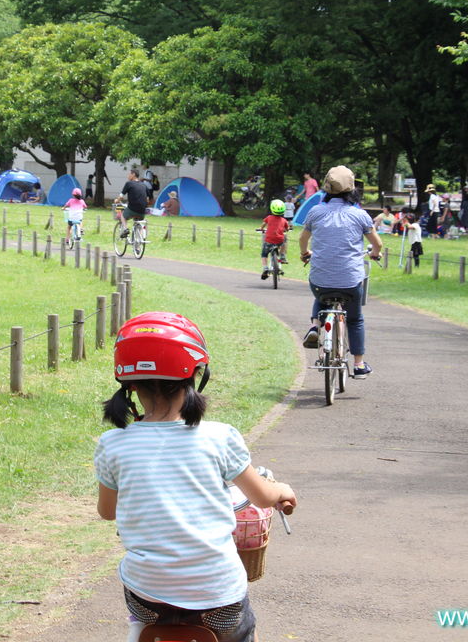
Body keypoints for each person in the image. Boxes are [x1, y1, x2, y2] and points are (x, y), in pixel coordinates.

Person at [95, 312, 297, 642]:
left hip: (147, 598)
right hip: (218, 598)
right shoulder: (219, 437)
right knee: (242, 630)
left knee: (141, 609)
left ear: (129, 384)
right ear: (194, 376)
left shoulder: (113, 444)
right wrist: (281, 490)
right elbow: (262, 496)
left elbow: (107, 511)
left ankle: (140, 633)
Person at [298, 166, 382, 379]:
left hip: (320, 280)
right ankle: (359, 364)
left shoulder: (316, 211)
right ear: (352, 189)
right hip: (350, 281)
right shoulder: (360, 215)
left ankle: (315, 326)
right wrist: (374, 253)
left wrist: (305, 253)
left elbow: (302, 239)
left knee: (321, 292)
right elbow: (377, 244)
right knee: (355, 319)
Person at [258, 199, 290, 278]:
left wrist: (261, 228)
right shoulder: (284, 220)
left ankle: (265, 268)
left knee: (264, 254)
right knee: (284, 241)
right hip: (279, 240)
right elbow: (287, 228)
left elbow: (263, 225)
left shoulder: (269, 218)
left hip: (269, 240)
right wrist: (286, 229)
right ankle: (282, 256)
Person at [115, 169, 149, 238]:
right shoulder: (144, 185)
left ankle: (125, 229)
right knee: (140, 224)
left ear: (133, 174)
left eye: (129, 174)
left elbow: (121, 196)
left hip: (132, 209)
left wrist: (117, 200)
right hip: (142, 211)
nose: (128, 176)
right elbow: (147, 199)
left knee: (123, 216)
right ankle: (139, 246)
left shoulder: (129, 183)